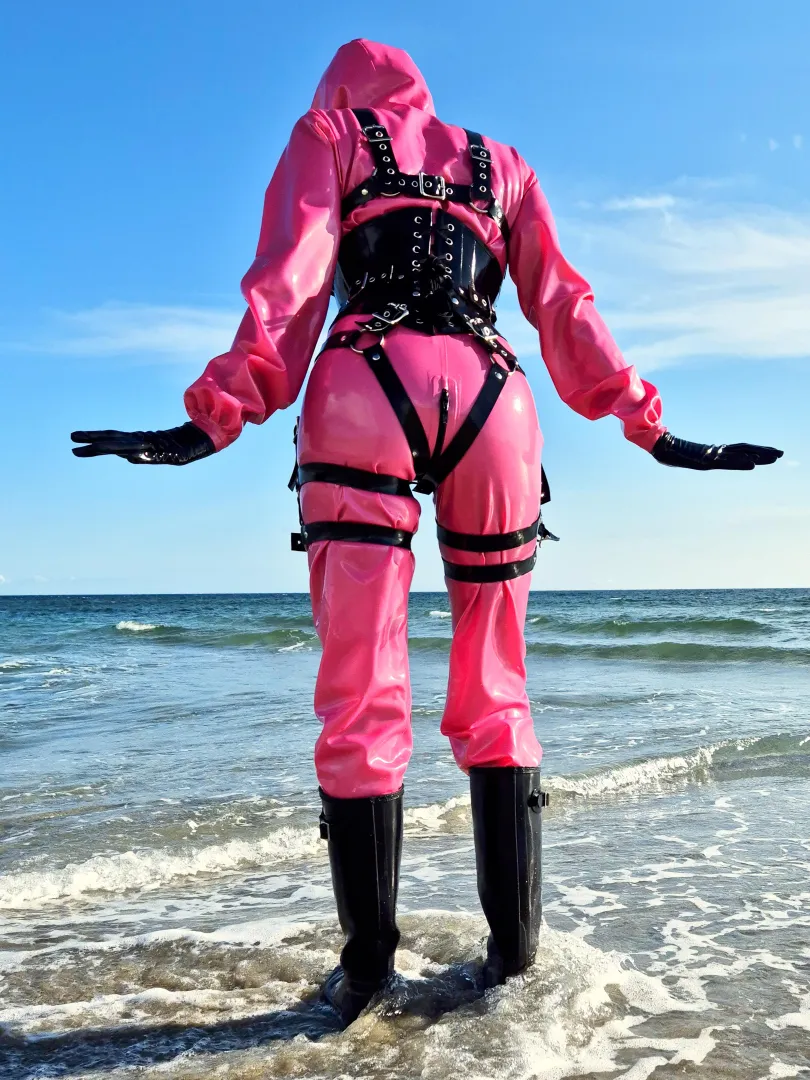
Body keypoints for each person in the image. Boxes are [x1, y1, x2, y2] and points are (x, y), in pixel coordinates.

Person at [71, 39, 783, 1025]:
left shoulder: (330, 133)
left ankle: (365, 977)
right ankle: (514, 971)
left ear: (342, 92)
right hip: (498, 402)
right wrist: (651, 427)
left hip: (366, 382)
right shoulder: (506, 163)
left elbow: (289, 287)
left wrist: (215, 415)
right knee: (498, 686)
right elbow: (565, 307)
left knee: (362, 687)